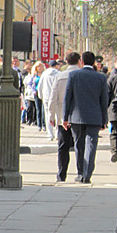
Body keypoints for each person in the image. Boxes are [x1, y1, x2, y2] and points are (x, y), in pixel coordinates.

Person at [62, 51, 110, 184]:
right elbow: (104, 101)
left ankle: (80, 173)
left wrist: (65, 118)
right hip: (94, 117)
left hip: (76, 117)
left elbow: (68, 97)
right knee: (91, 145)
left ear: (81, 62)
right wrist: (104, 120)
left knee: (79, 145)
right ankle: (87, 173)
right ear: (94, 62)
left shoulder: (74, 75)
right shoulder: (101, 78)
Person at [46, 52, 79, 182]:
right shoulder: (80, 75)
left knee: (63, 146)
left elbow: (52, 98)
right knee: (79, 145)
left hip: (61, 116)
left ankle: (61, 174)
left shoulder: (60, 76)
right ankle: (81, 172)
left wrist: (51, 115)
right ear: (79, 61)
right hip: (78, 115)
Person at [37, 60, 61, 141]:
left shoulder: (45, 73)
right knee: (58, 116)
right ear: (56, 65)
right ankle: (58, 133)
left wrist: (41, 95)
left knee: (48, 115)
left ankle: (50, 134)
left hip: (46, 97)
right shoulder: (58, 74)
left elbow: (40, 85)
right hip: (56, 97)